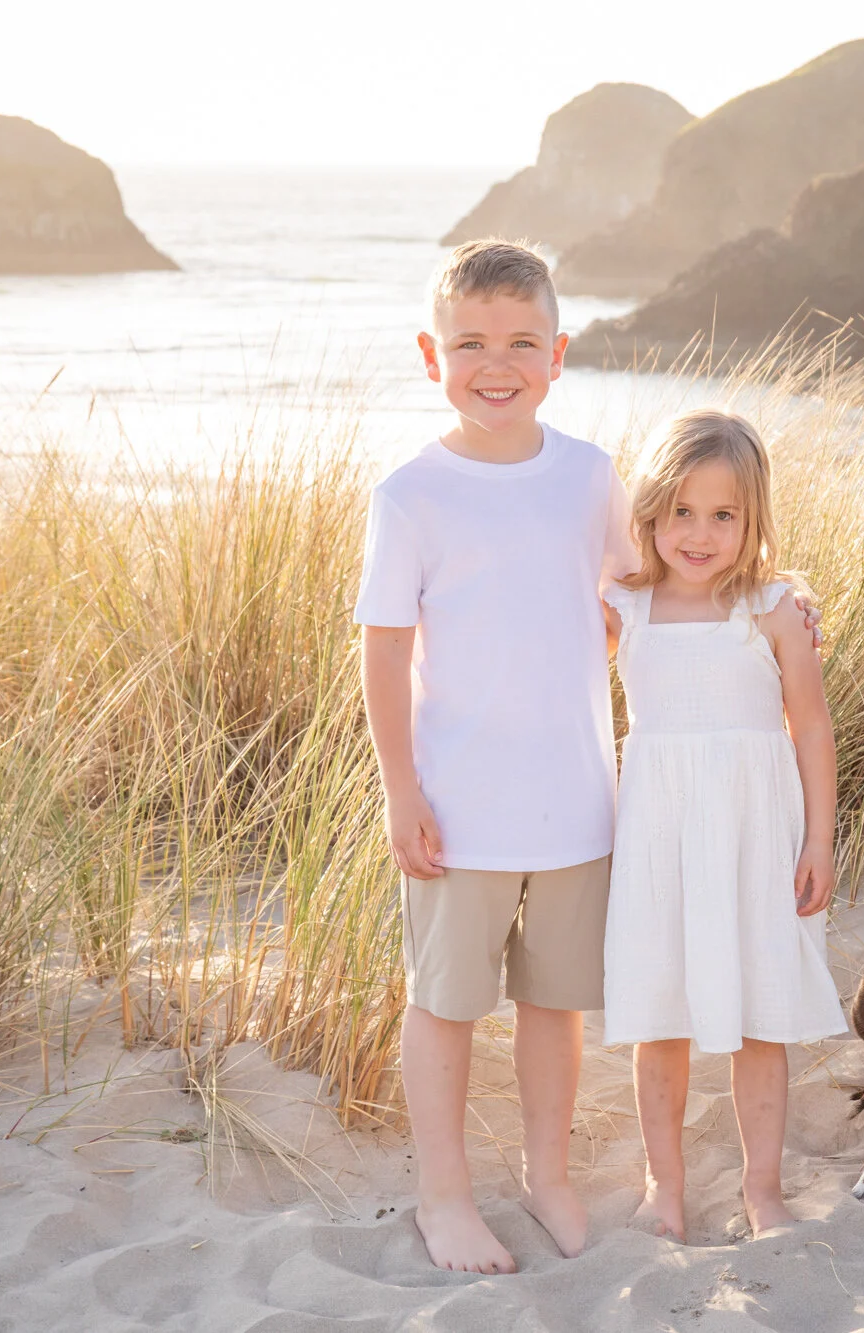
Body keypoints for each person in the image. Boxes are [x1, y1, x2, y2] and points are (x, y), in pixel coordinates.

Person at [355, 239, 631, 1275]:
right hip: (457, 808)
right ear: (432, 355)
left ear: (556, 353)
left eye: (520, 340)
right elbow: (382, 649)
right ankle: (443, 1198)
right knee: (446, 1005)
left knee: (554, 1005)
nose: (496, 362)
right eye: (469, 342)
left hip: (572, 800)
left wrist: (785, 603)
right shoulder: (411, 494)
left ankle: (548, 1174)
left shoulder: (588, 475)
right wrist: (400, 790)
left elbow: (632, 600)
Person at [600, 409, 848, 1242]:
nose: (699, 534)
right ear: (651, 510)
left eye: (724, 515)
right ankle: (662, 1189)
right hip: (660, 835)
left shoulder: (774, 608)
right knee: (662, 1017)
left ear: (753, 520)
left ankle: (764, 1191)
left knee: (759, 1017)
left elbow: (811, 726)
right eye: (681, 511)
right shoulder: (623, 606)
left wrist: (820, 837)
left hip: (752, 831)